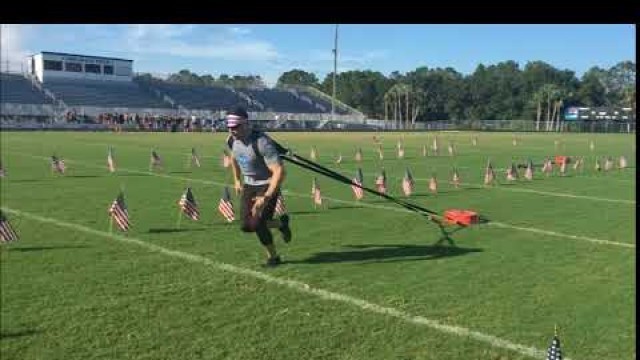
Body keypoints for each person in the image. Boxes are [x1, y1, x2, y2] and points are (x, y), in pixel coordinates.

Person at [226, 106, 292, 267]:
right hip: (249, 185)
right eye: (229, 127)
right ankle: (281, 224)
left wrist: (267, 196)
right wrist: (236, 179)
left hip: (267, 185)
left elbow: (279, 171)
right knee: (245, 226)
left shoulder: (262, 142)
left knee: (258, 223)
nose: (232, 130)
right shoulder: (231, 140)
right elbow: (233, 158)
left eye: (235, 127)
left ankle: (273, 258)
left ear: (246, 124)